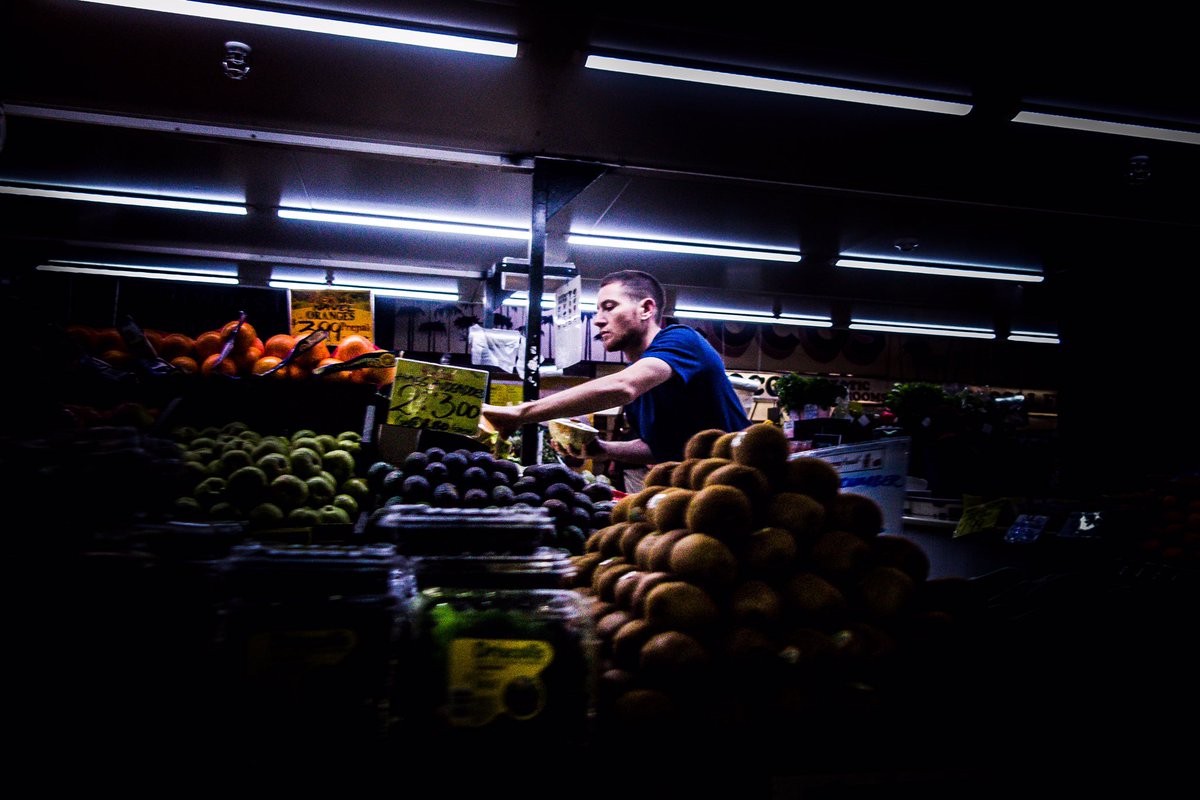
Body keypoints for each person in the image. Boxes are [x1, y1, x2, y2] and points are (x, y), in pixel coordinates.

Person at [480, 269, 750, 466]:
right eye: (598, 310)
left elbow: (624, 386)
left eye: (609, 307)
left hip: (743, 480)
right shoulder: (641, 376)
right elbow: (662, 448)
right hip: (699, 489)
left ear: (645, 309)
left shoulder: (682, 340)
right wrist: (603, 449)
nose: (598, 321)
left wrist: (520, 413)